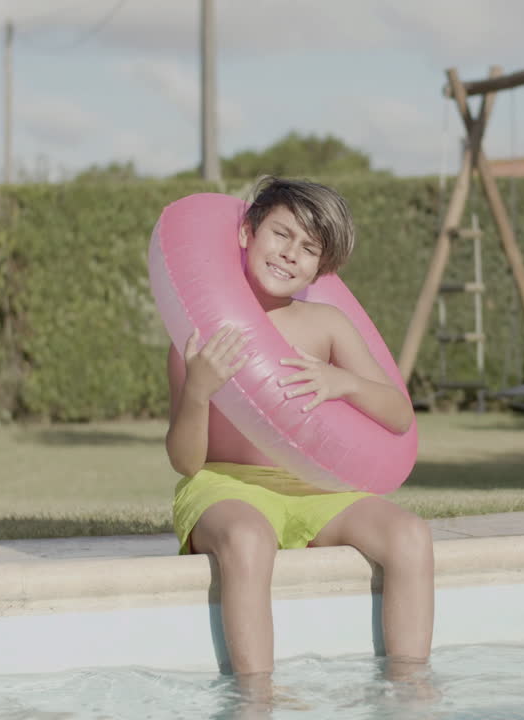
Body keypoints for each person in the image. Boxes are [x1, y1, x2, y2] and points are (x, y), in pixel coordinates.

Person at [164, 177, 434, 700]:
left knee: (410, 536)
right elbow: (185, 461)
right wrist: (198, 390)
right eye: (281, 234)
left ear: (322, 267)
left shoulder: (326, 325)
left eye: (309, 248)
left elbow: (400, 415)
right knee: (248, 540)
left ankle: (410, 692)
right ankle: (257, 696)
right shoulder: (199, 336)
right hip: (227, 486)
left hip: (313, 489)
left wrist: (345, 382)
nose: (290, 255)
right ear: (246, 232)